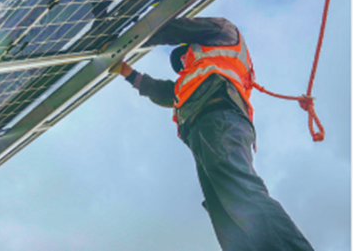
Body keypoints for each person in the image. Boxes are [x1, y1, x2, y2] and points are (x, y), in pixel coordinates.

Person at [110, 16, 313, 251]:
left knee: (240, 191)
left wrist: (131, 33)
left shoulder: (224, 33)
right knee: (224, 217)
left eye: (183, 56)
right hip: (203, 131)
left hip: (222, 118)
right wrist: (124, 70)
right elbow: (160, 91)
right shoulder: (188, 81)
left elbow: (176, 28)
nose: (182, 63)